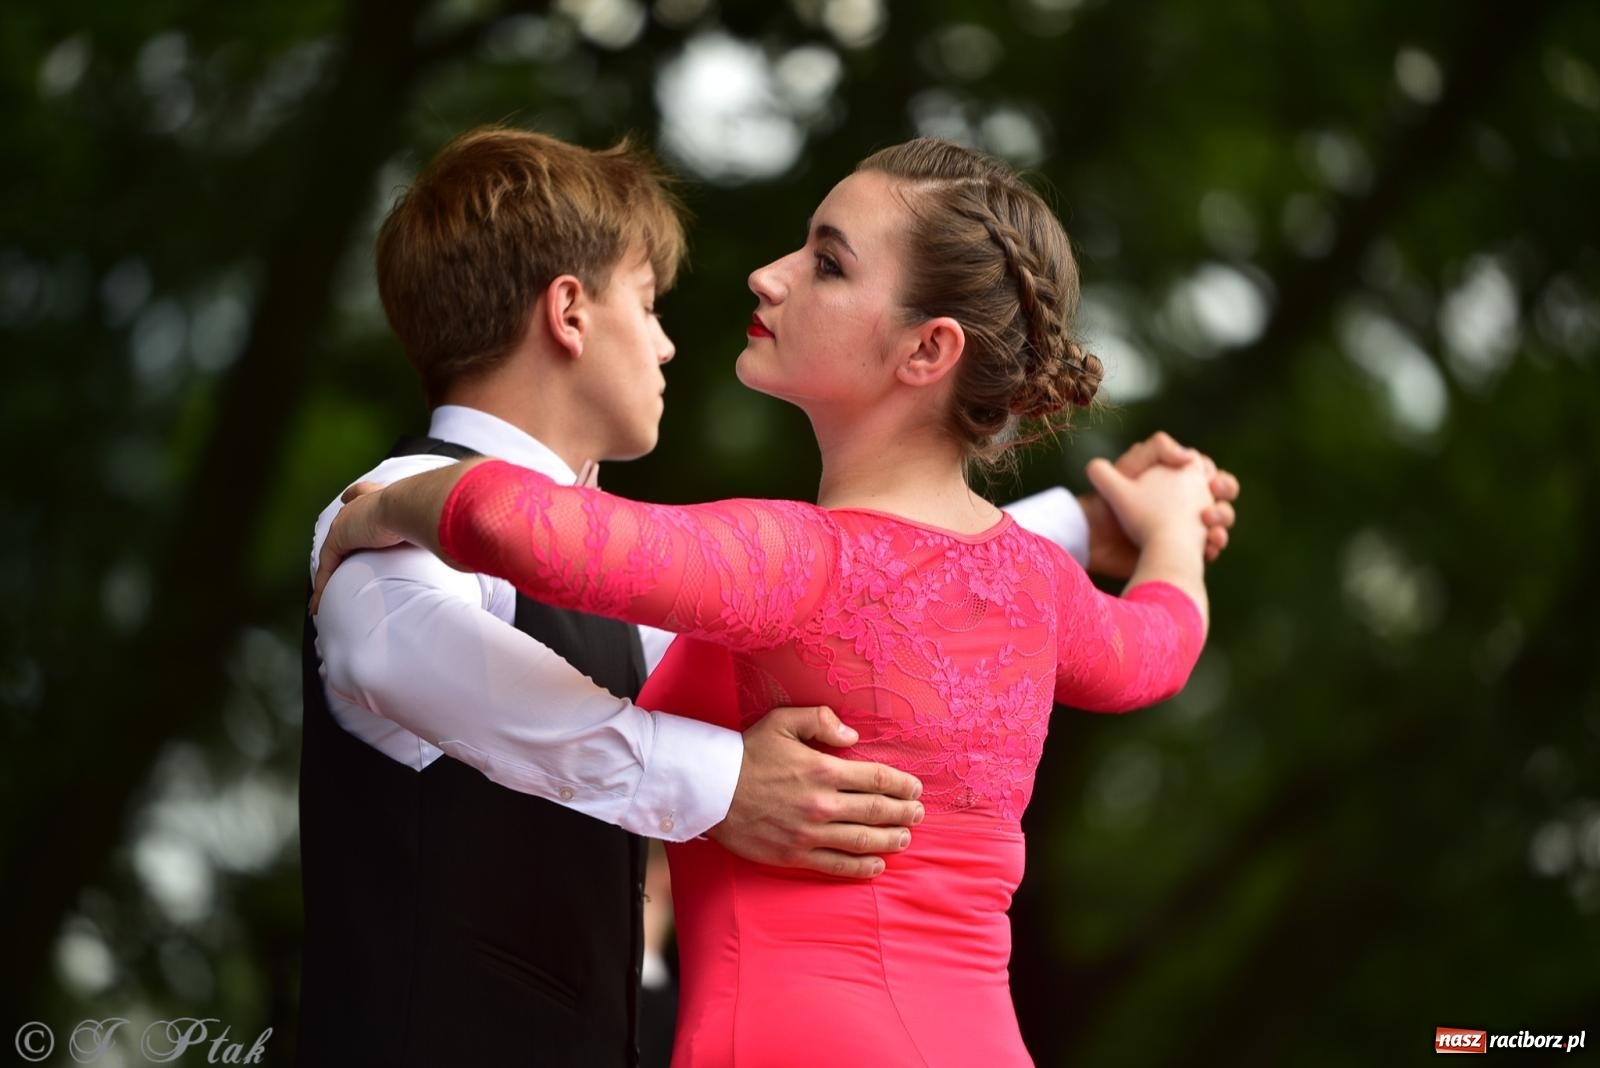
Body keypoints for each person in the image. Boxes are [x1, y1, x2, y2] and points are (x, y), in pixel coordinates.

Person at [298, 128, 1238, 1067]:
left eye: (826, 262)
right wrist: (1164, 531)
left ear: (927, 350)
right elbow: (1126, 639)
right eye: (652, 301)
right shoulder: (1024, 590)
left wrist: (387, 503)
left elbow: (516, 524)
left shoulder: (786, 560)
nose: (762, 279)